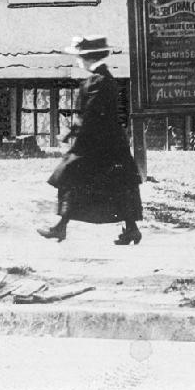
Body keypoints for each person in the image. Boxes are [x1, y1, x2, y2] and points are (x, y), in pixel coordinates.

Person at [39, 35, 143, 245]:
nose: (77, 60)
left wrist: (77, 139)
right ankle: (130, 229)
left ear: (87, 57)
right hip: (108, 145)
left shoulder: (99, 81)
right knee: (116, 186)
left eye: (79, 56)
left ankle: (61, 227)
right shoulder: (102, 78)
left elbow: (93, 115)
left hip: (98, 144)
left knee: (72, 178)